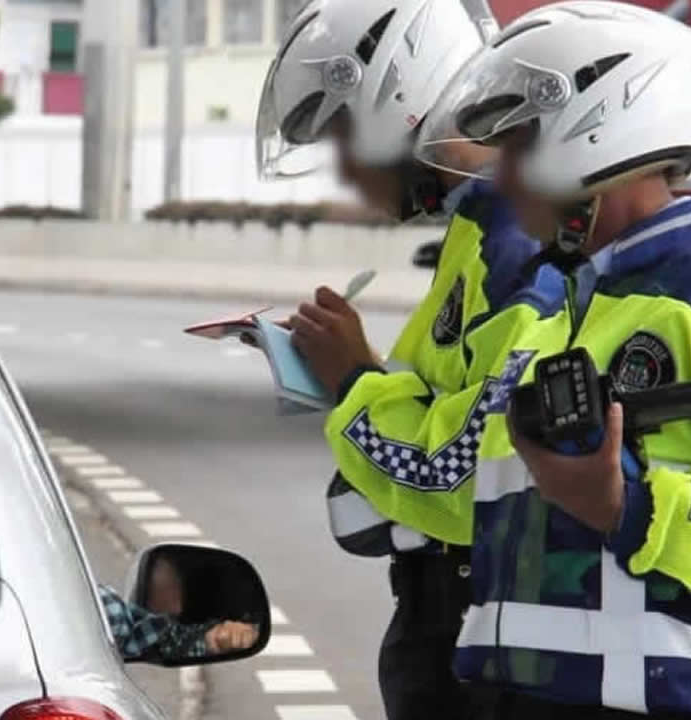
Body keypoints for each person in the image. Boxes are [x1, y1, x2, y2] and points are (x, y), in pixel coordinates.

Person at [329, 2, 691, 718]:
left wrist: (629, 507)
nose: (502, 174)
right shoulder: (579, 304)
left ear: (598, 132)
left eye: (519, 146)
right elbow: (477, 481)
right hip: (527, 695)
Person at [259, 1, 567, 718]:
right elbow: (450, 398)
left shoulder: (517, 247)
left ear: (398, 109)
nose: (343, 171)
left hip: (489, 645)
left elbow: (466, 469)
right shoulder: (478, 233)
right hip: (461, 628)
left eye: (342, 136)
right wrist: (358, 366)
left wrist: (355, 381)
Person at [99, 584, 258, 662]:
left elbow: (159, 637)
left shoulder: (104, 606)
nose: (173, 607)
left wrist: (214, 638)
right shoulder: (99, 604)